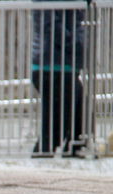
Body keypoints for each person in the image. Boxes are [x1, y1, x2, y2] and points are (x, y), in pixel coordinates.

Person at [31, 0, 88, 157]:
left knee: (77, 112)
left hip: (64, 64)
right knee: (56, 126)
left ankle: (75, 148)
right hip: (52, 65)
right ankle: (42, 157)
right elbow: (50, 25)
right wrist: (75, 43)